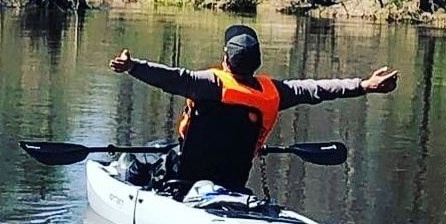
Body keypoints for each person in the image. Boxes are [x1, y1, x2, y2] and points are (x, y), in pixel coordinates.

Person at [109, 24, 398, 193]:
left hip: (185, 176)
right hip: (232, 181)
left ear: (226, 58)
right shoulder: (276, 93)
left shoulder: (209, 84)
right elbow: (318, 89)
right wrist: (364, 85)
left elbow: (171, 78)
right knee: (163, 146)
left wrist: (133, 67)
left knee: (136, 163)